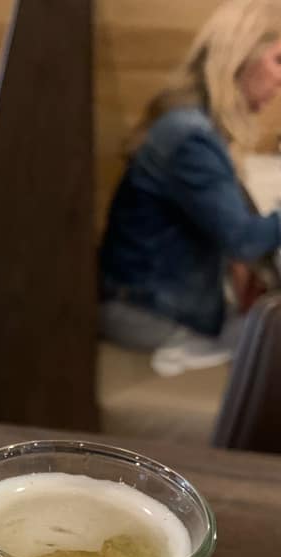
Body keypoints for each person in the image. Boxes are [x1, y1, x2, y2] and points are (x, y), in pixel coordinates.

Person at [99, 0, 281, 376]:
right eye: (278, 60)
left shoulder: (191, 124)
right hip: (148, 313)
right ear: (239, 56)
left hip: (153, 301)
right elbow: (243, 240)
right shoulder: (190, 137)